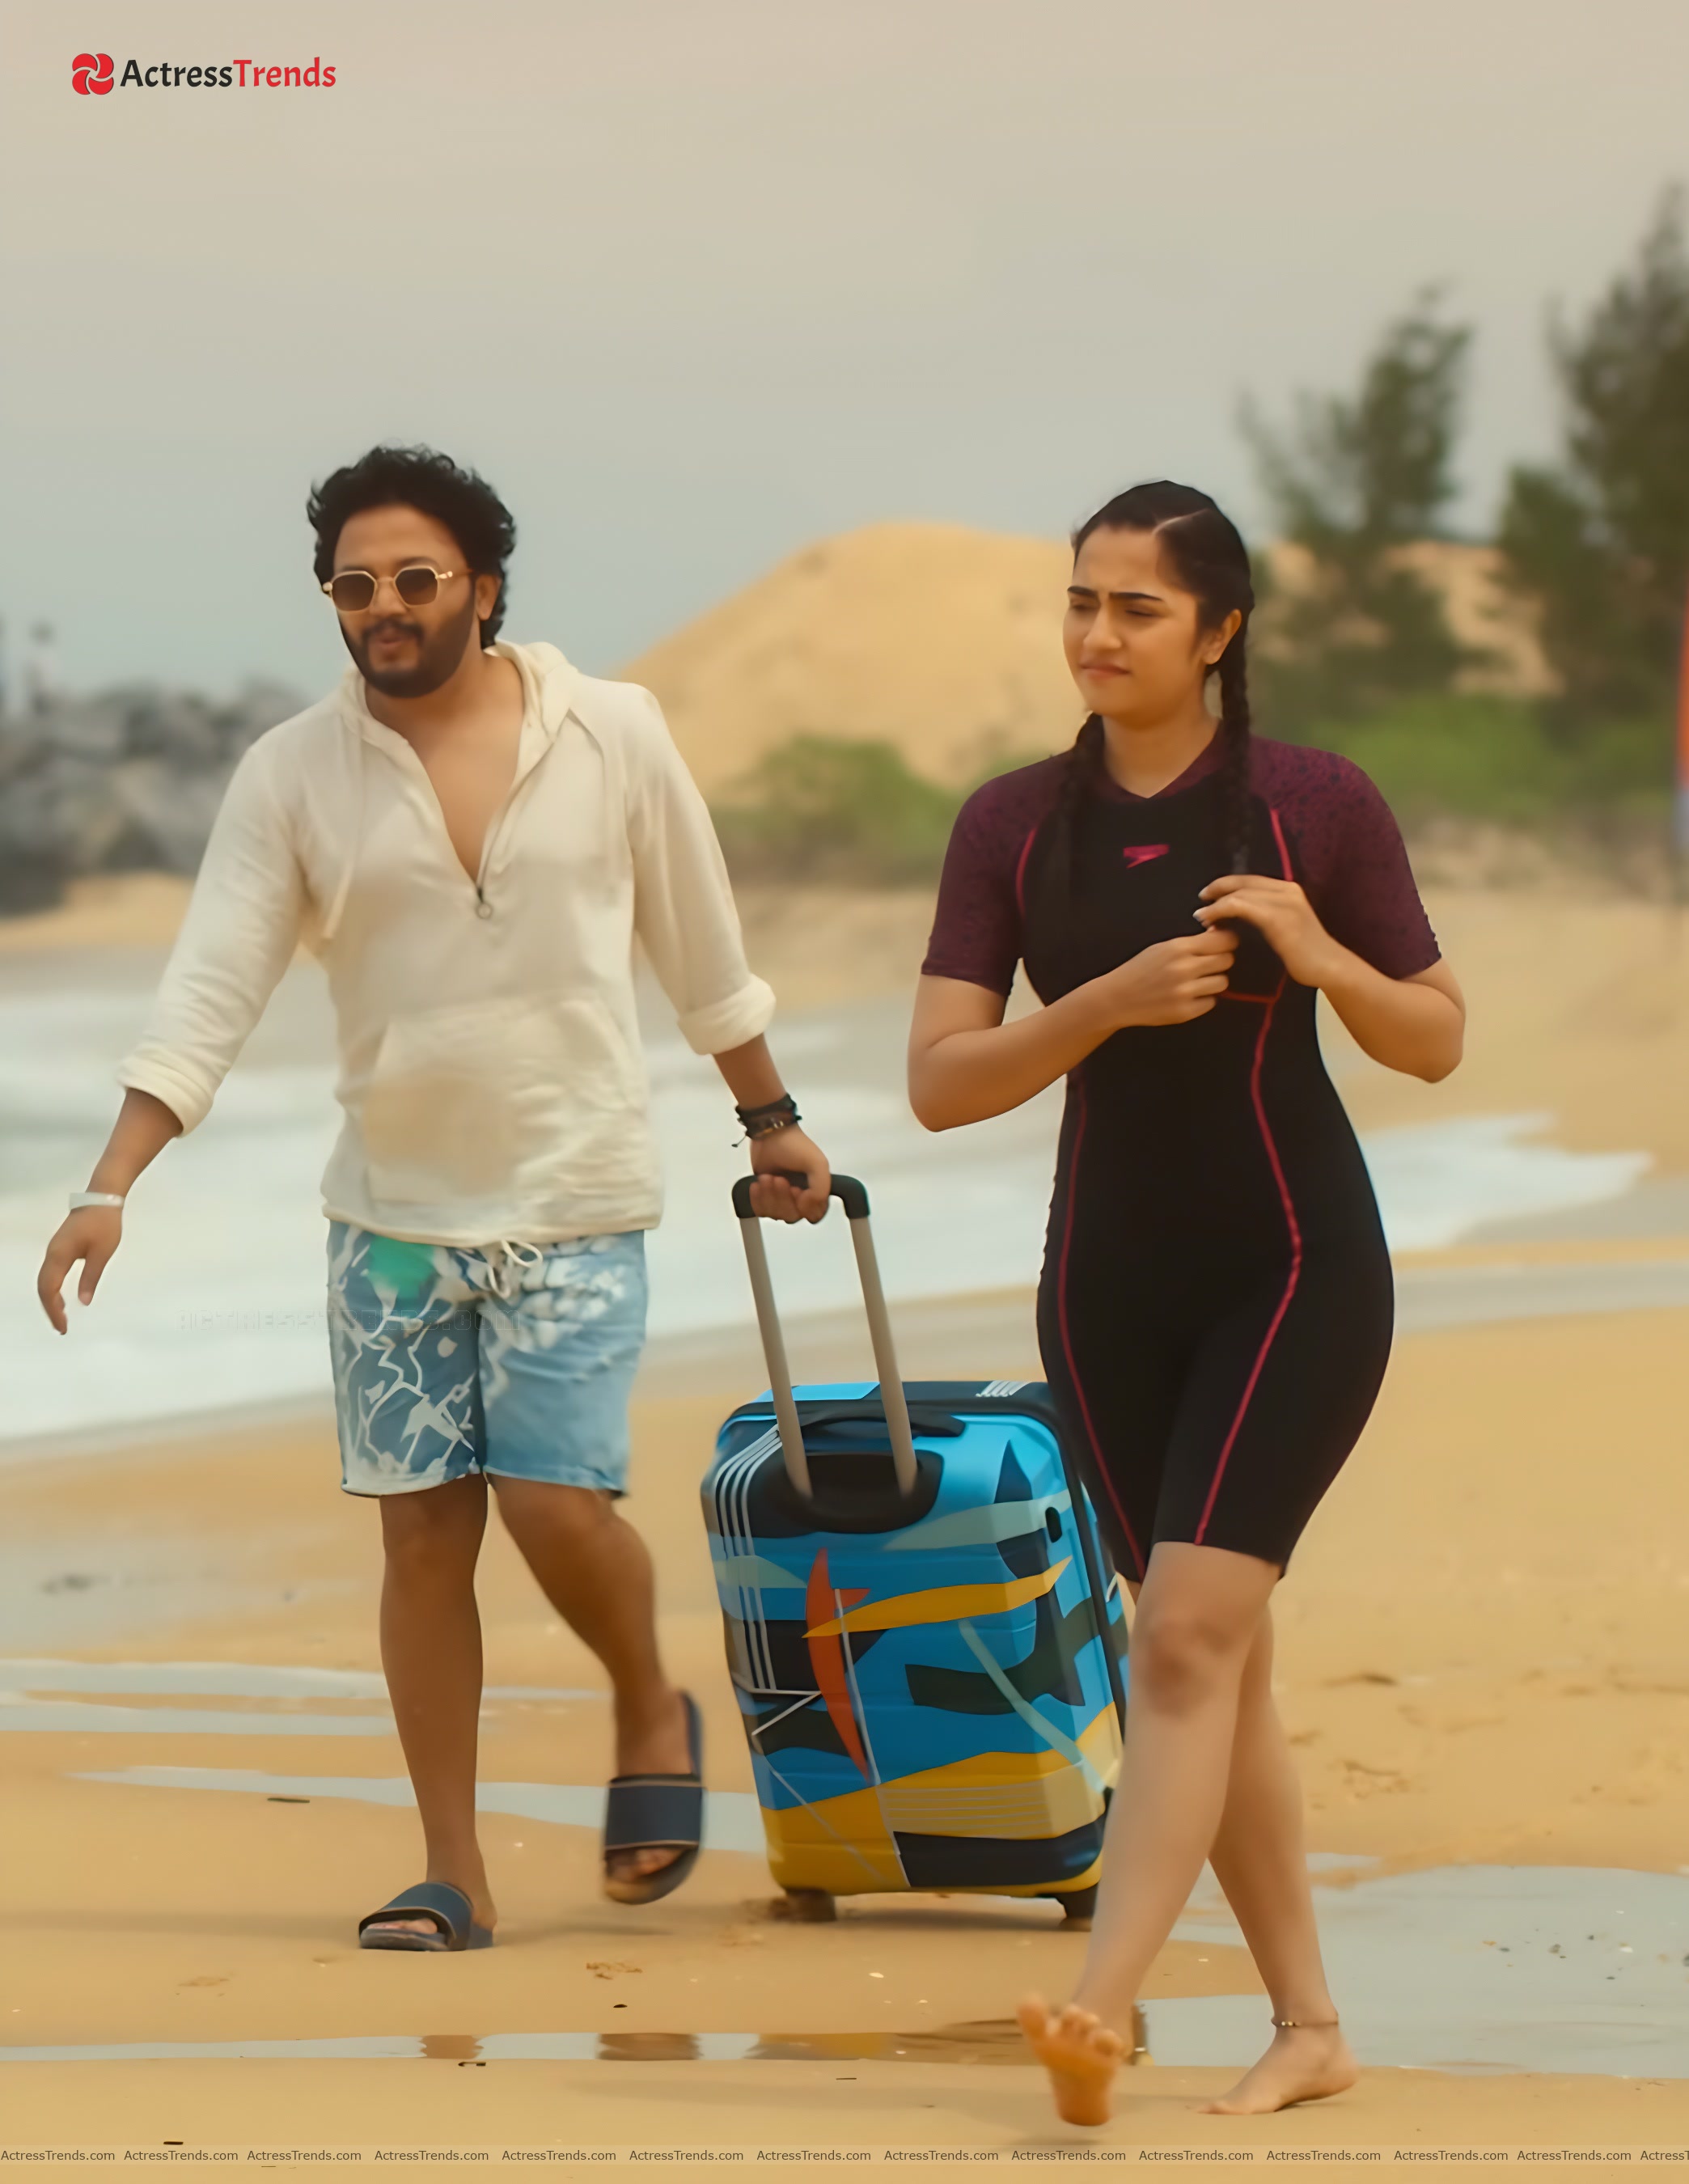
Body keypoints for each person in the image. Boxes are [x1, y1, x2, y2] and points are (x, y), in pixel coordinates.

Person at [36, 444, 831, 1952]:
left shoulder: (612, 731)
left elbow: (702, 949)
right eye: (355, 586)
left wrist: (770, 1118)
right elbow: (210, 991)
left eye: (415, 578)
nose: (384, 607)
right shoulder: (293, 773)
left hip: (576, 1196)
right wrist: (108, 1183)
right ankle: (451, 1869)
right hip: (392, 1227)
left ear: (485, 585)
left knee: (553, 1502)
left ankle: (644, 1700)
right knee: (422, 1539)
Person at [908, 481, 1464, 2123]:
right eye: (1082, 601)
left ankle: (1099, 2006)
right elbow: (942, 1082)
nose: (1099, 633)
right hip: (1103, 1291)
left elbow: (1435, 1036)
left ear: (1219, 631)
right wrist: (1101, 1004)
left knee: (1183, 1637)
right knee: (1221, 1663)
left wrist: (1324, 954)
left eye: (1137, 608)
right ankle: (1311, 2026)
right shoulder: (1013, 826)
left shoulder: (1313, 805)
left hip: (1295, 1268)